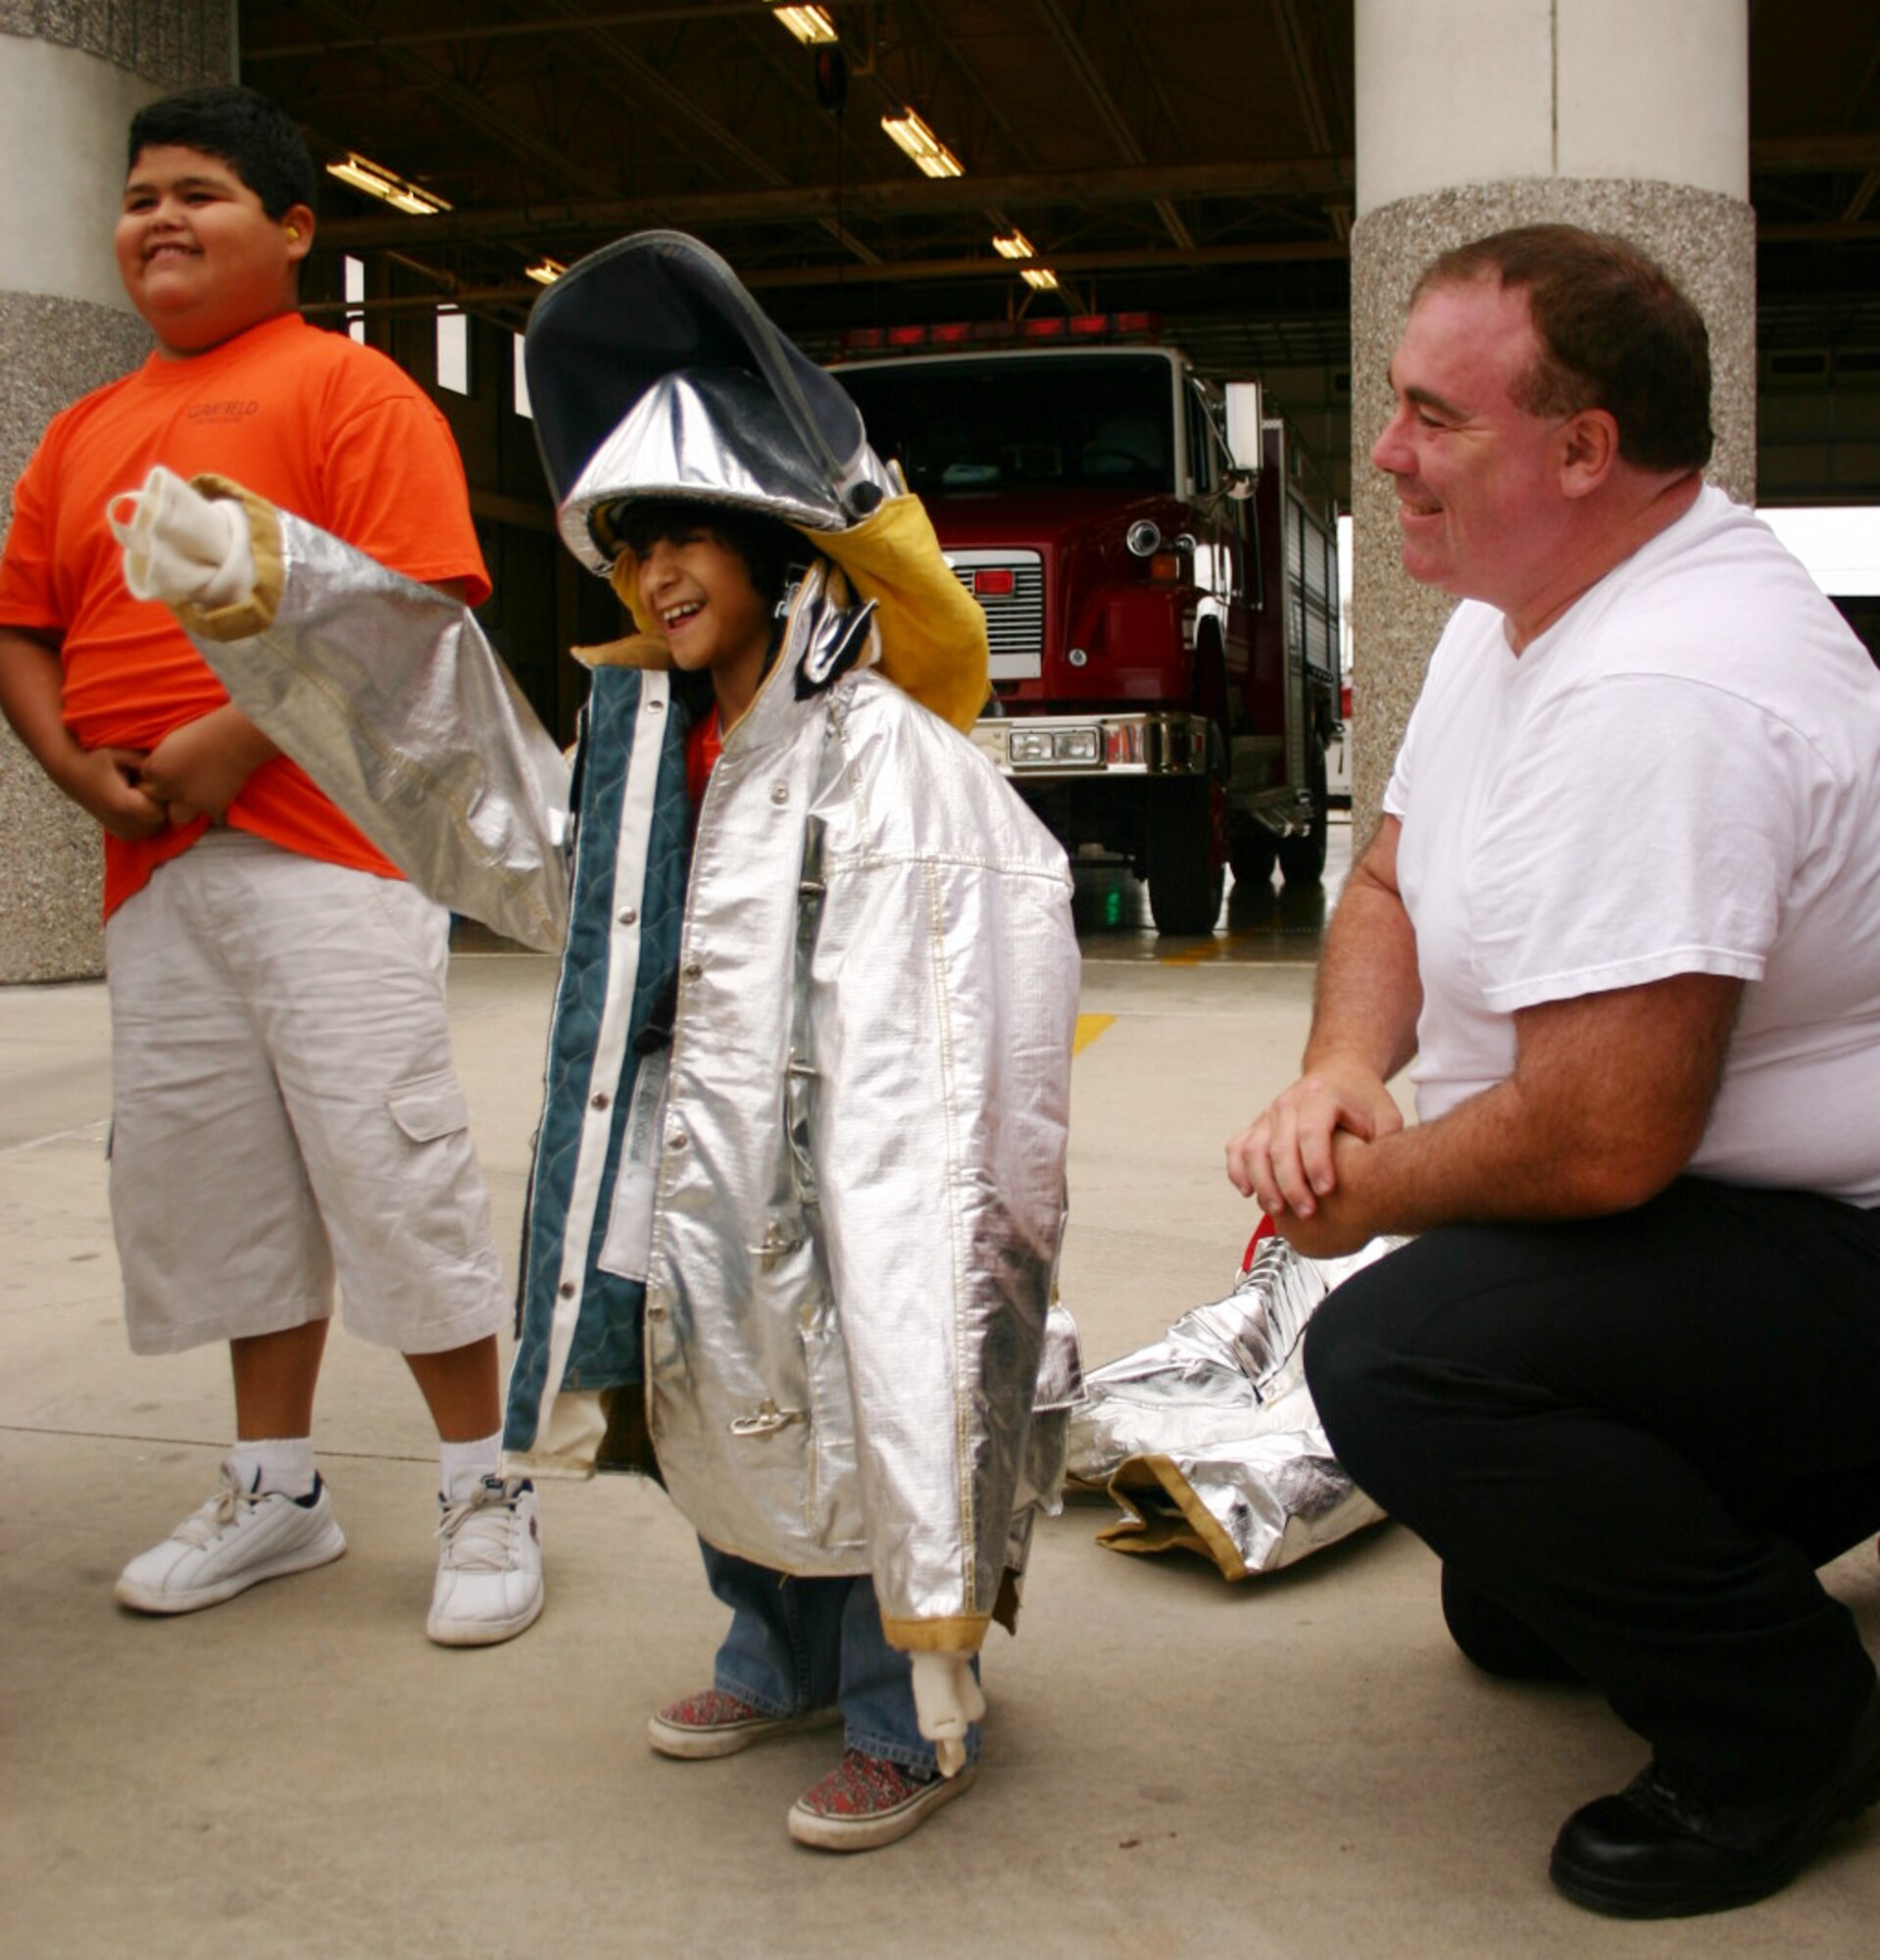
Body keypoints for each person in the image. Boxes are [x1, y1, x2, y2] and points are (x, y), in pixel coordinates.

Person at [1225, 223, 1880, 1919]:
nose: (1385, 455)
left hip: (1839, 1239)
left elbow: (1599, 1142)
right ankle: (1713, 1530)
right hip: (1730, 1227)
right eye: (1394, 407)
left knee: (1405, 1361)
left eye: (1432, 417)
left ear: (1583, 451)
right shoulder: (1515, 608)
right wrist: (1338, 1078)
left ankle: (1783, 1735)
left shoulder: (1667, 684)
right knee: (1505, 1606)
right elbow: (1385, 874)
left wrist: (1347, 1200)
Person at [498, 231, 1080, 1851]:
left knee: (859, 1402)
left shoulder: (886, 755)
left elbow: (956, 1062)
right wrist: (286, 610)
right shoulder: (647, 737)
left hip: (849, 1161)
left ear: (770, 539)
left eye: (686, 534)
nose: (659, 574)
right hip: (682, 1142)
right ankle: (775, 1654)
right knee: (704, 1400)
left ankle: (909, 1703)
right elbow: (494, 830)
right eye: (631, 548)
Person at [0, 84, 543, 1646]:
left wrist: (236, 742)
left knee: (390, 1165)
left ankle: (481, 1486)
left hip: (327, 853)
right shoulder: (79, 429)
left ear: (294, 230)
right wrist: (65, 766)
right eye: (139, 195)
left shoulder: (349, 393)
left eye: (202, 194)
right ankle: (278, 1489)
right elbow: (24, 623)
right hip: (157, 872)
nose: (159, 219)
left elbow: (415, 613)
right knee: (221, 1183)